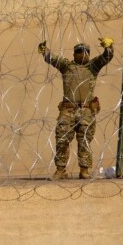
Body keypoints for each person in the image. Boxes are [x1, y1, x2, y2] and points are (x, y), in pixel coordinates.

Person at [39, 37, 114, 179]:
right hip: (68, 110)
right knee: (61, 139)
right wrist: (44, 50)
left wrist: (109, 47)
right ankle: (61, 170)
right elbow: (52, 59)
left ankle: (84, 170)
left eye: (86, 51)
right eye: (79, 51)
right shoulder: (66, 66)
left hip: (86, 110)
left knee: (84, 140)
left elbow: (107, 57)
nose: (83, 53)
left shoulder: (92, 67)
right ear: (74, 54)